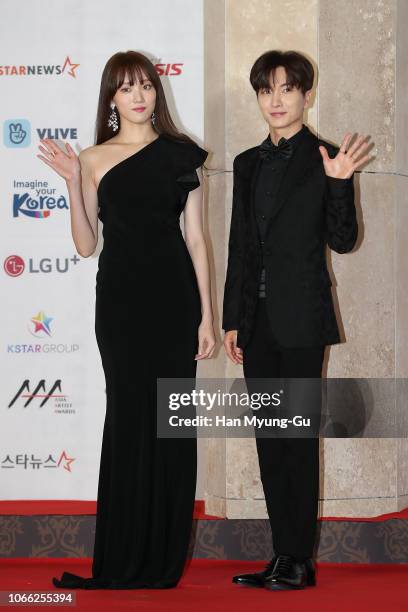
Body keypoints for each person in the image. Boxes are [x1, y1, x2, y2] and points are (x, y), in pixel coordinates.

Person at [37, 50, 216, 589]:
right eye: (126, 87)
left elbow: (198, 239)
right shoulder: (91, 159)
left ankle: (162, 562)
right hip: (119, 305)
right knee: (128, 423)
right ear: (111, 98)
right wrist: (72, 181)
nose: (139, 95)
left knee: (171, 425)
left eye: (146, 85)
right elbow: (86, 243)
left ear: (157, 93)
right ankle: (119, 560)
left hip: (174, 301)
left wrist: (208, 317)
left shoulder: (184, 155)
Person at [222, 50, 371, 591]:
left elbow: (343, 240)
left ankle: (300, 561)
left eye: (287, 89)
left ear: (306, 94)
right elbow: (241, 246)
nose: (276, 100)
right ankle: (282, 555)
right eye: (267, 90)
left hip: (303, 324)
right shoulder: (246, 163)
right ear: (258, 97)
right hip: (256, 324)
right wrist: (232, 320)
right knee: (269, 439)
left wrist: (339, 183)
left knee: (297, 438)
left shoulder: (326, 157)